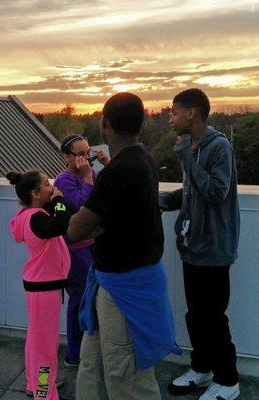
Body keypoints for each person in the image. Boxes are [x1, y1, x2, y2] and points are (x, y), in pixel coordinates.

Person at [68, 92, 181, 400]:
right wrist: (99, 223)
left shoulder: (118, 171)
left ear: (105, 124)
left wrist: (86, 193)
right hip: (117, 280)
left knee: (125, 378)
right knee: (91, 365)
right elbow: (113, 217)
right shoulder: (143, 158)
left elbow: (76, 229)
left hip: (122, 291)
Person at [160, 88, 240, 400]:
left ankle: (228, 381)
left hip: (215, 249)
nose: (170, 119)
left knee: (213, 317)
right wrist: (168, 200)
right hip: (192, 246)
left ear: (191, 113)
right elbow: (193, 190)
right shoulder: (190, 145)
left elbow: (217, 191)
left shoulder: (218, 146)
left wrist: (185, 158)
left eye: (173, 112)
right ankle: (202, 368)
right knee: (196, 314)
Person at [8, 170, 70, 400]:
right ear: (35, 193)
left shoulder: (28, 214)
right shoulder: (37, 218)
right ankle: (45, 393)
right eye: (46, 184)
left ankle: (35, 384)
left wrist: (54, 202)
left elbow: (55, 219)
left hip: (38, 286)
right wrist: (60, 199)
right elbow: (63, 223)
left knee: (36, 339)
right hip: (45, 288)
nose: (51, 187)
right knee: (45, 348)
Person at [54, 135, 108, 367]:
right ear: (66, 158)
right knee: (78, 299)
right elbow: (81, 206)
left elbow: (105, 191)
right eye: (80, 154)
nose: (86, 159)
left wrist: (107, 166)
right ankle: (74, 353)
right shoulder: (64, 180)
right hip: (74, 250)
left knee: (90, 298)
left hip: (91, 246)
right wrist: (88, 176)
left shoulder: (90, 174)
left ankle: (87, 348)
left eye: (89, 152)